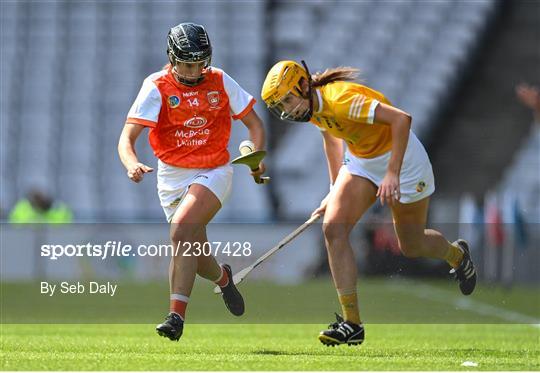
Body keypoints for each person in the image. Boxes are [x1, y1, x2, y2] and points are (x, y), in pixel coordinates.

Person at [261, 61, 476, 347]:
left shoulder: (341, 101)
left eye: (287, 100)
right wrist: (334, 189)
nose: (287, 109)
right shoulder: (312, 108)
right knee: (333, 230)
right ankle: (352, 323)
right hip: (362, 162)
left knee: (411, 245)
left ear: (301, 85)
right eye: (281, 105)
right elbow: (331, 139)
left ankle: (457, 256)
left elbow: (402, 119)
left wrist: (392, 173)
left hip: (405, 164)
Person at [118, 22, 267, 342]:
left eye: (200, 62)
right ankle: (224, 278)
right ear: (172, 58)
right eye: (187, 63)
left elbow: (255, 125)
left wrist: (256, 156)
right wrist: (132, 164)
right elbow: (126, 138)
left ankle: (175, 317)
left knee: (181, 230)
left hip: (214, 171)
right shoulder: (156, 86)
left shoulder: (220, 80)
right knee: (197, 256)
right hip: (170, 176)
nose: (194, 69)